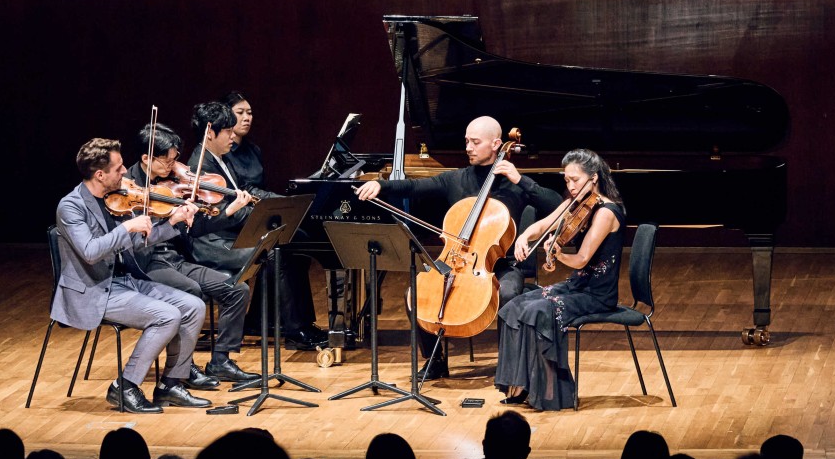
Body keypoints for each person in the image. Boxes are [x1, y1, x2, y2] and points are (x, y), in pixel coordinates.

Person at [355, 115, 561, 379]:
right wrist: (380, 185)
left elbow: (556, 206)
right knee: (415, 293)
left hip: (500, 265)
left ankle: (508, 367)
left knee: (508, 294)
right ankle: (436, 361)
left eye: (476, 142)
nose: (469, 148)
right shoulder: (456, 179)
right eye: (467, 141)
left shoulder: (513, 184)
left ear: (497, 144)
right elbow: (414, 186)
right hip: (457, 259)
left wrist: (522, 181)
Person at [52, 137, 212, 413]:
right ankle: (124, 387)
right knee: (167, 315)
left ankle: (171, 384)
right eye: (119, 167)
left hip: (124, 281)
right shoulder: (71, 207)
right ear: (100, 174)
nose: (126, 171)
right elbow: (91, 252)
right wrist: (126, 229)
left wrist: (173, 222)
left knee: (193, 306)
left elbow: (139, 242)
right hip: (93, 290)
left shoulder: (115, 199)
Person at [186, 101, 328, 350]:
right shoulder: (201, 166)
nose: (233, 136)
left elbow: (243, 194)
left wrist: (273, 207)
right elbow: (215, 215)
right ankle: (294, 330)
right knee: (273, 253)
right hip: (213, 242)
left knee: (291, 241)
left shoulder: (223, 159)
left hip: (233, 232)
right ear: (210, 133)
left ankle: (302, 323)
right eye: (228, 131)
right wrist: (262, 215)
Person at [125, 122, 260, 384]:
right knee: (191, 292)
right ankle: (183, 367)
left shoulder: (173, 184)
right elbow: (129, 241)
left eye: (175, 159)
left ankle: (221, 361)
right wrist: (169, 219)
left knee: (237, 289)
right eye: (167, 160)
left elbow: (198, 229)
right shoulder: (128, 189)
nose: (172, 165)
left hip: (176, 259)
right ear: (146, 158)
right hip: (146, 264)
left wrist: (222, 211)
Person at [495, 148, 626, 410]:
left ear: (594, 178)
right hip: (576, 286)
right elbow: (543, 226)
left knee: (539, 311)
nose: (570, 186)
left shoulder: (606, 213)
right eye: (566, 180)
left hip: (596, 294)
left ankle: (552, 392)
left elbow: (581, 259)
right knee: (514, 306)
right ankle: (522, 386)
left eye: (575, 180)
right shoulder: (573, 204)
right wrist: (523, 237)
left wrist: (558, 254)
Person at [221, 90, 266, 189]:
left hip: (261, 202)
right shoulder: (221, 151)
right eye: (240, 112)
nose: (247, 118)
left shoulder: (255, 150)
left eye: (249, 113)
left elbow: (263, 187)